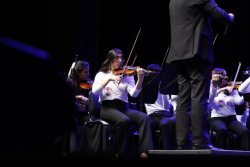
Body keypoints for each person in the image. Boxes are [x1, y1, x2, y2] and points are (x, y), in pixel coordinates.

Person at [166, 0, 235, 150]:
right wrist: (229, 16)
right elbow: (219, 15)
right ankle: (200, 141)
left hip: (178, 53)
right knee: (199, 98)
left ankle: (182, 143)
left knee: (183, 99)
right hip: (197, 52)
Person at [92, 48, 154, 158]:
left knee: (145, 117)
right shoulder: (102, 74)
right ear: (110, 59)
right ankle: (119, 153)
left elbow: (134, 94)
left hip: (124, 107)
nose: (120, 60)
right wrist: (109, 79)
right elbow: (95, 91)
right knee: (124, 120)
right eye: (117, 58)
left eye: (122, 58)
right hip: (107, 108)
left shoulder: (127, 75)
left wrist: (140, 79)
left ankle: (145, 152)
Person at [209, 68, 250, 151]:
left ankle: (247, 154)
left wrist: (244, 97)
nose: (226, 77)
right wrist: (222, 89)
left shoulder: (232, 90)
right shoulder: (212, 89)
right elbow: (210, 99)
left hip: (231, 119)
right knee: (221, 129)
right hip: (217, 119)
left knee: (245, 131)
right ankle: (219, 154)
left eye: (226, 74)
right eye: (224, 75)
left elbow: (238, 102)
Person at [144, 64, 177, 150]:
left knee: (164, 124)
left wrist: (164, 94)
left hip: (163, 115)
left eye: (156, 75)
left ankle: (167, 151)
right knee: (147, 125)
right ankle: (149, 151)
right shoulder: (144, 85)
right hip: (151, 116)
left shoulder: (162, 86)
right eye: (151, 75)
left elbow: (166, 107)